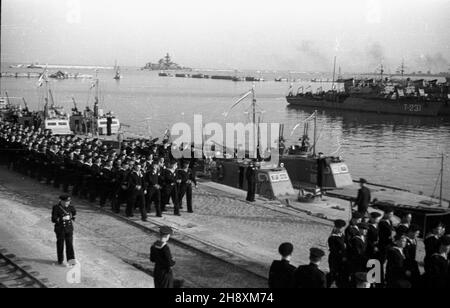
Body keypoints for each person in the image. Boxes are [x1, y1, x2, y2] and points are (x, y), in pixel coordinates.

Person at [51, 195, 76, 265]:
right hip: (60, 229)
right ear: (60, 201)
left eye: (68, 201)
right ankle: (60, 259)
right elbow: (53, 219)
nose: (66, 203)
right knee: (60, 244)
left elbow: (74, 214)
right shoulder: (56, 208)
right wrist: (62, 218)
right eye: (65, 201)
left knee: (70, 244)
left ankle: (71, 261)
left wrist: (71, 217)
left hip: (69, 228)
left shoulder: (71, 207)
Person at [327, 219, 347, 288]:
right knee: (333, 274)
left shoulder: (342, 235)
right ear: (337, 227)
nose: (343, 229)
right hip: (335, 259)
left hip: (341, 258)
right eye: (341, 227)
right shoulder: (332, 238)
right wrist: (342, 255)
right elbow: (334, 250)